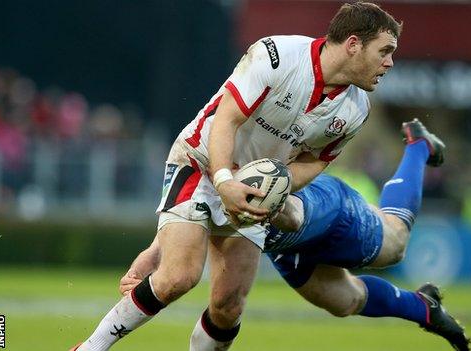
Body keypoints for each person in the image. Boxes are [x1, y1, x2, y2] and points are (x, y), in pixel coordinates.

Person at [72, 2, 402, 351]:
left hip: (252, 189)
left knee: (228, 307)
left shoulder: (356, 109)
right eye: (385, 51)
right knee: (179, 278)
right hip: (200, 162)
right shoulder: (278, 56)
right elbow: (226, 120)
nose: (389, 63)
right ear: (353, 44)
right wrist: (225, 180)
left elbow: (314, 161)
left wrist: (275, 188)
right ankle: (91, 347)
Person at [119, 120, 471, 351]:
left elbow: (288, 207)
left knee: (394, 244)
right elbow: (188, 213)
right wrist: (156, 250)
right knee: (343, 301)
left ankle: (417, 147)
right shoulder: (203, 166)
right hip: (283, 244)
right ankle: (423, 307)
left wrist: (281, 210)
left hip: (320, 210)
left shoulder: (242, 156)